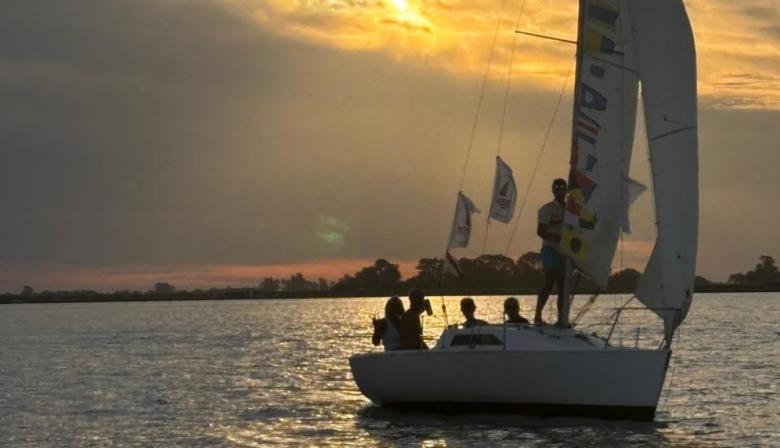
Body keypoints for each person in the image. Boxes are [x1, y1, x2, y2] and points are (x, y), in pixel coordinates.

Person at [534, 178, 567, 326]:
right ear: (553, 190)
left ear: (566, 190)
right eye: (557, 188)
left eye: (562, 188)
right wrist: (555, 237)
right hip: (550, 249)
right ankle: (537, 316)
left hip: (565, 251)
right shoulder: (546, 209)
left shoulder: (572, 209)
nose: (560, 190)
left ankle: (561, 319)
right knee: (550, 280)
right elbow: (540, 231)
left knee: (563, 285)